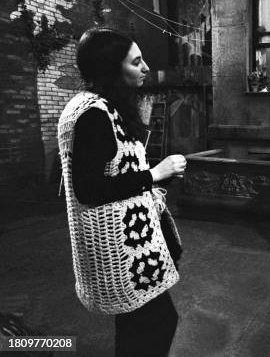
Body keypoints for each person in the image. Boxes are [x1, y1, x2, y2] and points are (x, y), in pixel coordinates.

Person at [57, 27, 186, 356]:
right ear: (111, 69)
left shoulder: (104, 108)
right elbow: (89, 189)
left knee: (138, 332)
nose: (146, 67)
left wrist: (154, 182)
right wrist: (154, 174)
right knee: (156, 326)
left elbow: (118, 171)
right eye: (136, 62)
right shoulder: (94, 115)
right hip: (124, 254)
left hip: (132, 248)